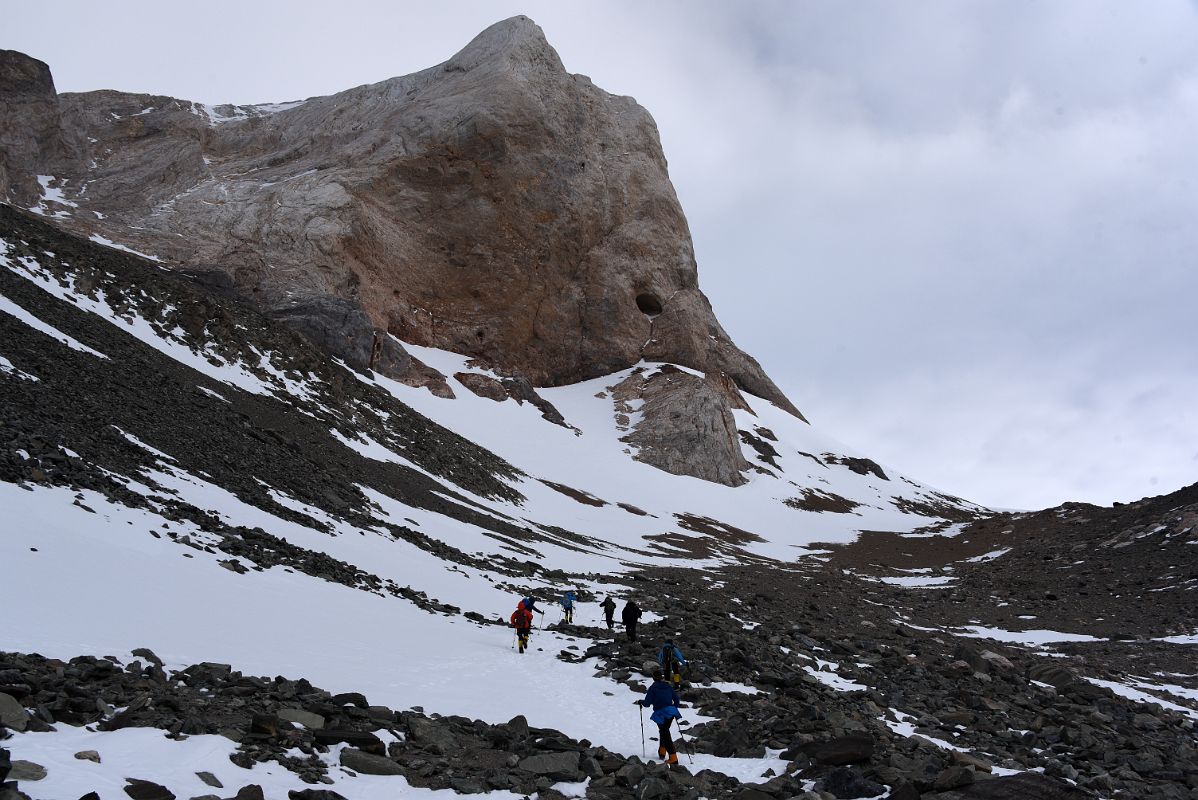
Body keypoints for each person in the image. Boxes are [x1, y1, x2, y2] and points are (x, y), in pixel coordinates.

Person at [635, 669, 682, 766]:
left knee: (665, 732)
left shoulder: (653, 688)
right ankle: (662, 751)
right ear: (662, 677)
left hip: (660, 713)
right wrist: (673, 707)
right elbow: (676, 699)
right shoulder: (668, 686)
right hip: (671, 711)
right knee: (664, 730)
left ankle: (673, 757)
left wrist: (641, 702)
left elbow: (647, 704)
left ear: (653, 678)